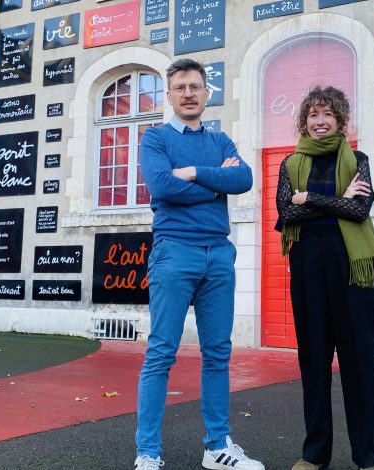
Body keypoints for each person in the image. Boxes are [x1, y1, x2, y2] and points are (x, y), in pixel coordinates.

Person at [134, 58, 265, 470]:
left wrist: (192, 173)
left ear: (207, 93)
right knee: (161, 352)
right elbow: (160, 186)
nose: (188, 93)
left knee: (217, 353)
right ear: (169, 96)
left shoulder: (221, 141)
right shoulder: (154, 139)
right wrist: (213, 185)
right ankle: (148, 453)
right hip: (174, 251)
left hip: (218, 253)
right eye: (180, 87)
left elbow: (243, 180)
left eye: (195, 86)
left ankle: (217, 446)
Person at [276, 86, 374, 470]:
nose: (319, 122)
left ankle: (368, 458)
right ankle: (314, 455)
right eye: (313, 115)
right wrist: (335, 199)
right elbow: (284, 216)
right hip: (308, 268)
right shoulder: (289, 164)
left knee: (359, 365)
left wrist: (307, 199)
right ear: (304, 122)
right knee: (314, 361)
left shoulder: (358, 159)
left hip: (354, 270)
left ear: (341, 121)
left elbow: (359, 210)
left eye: (327, 115)